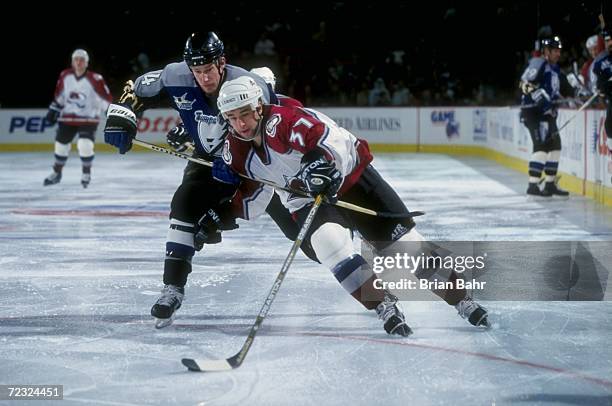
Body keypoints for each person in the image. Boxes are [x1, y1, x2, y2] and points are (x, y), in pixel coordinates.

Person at [211, 76, 490, 336]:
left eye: (245, 113)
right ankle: (381, 302)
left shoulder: (283, 121)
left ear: (259, 106)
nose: (241, 124)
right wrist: (221, 213)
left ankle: (460, 298)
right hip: (307, 199)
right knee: (328, 244)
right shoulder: (236, 152)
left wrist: (320, 161)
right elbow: (253, 196)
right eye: (233, 118)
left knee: (407, 248)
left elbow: (326, 135)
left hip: (351, 178)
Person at [104, 32, 312, 328]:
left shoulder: (248, 87)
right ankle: (172, 289)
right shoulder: (175, 75)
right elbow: (135, 89)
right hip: (209, 163)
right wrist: (122, 116)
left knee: (301, 231)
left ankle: (356, 264)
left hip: (254, 167)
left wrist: (233, 176)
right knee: (184, 204)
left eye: (208, 70)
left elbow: (265, 142)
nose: (203, 77)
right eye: (197, 71)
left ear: (222, 63)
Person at [44, 49, 112, 188]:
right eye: (76, 59)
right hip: (67, 118)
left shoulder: (95, 78)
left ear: (87, 62)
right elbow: (60, 96)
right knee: (60, 146)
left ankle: (86, 173)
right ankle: (57, 173)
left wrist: (110, 111)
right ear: (72, 61)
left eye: (82, 59)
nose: (79, 62)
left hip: (89, 119)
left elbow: (105, 98)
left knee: (85, 145)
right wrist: (54, 109)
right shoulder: (65, 75)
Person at [519, 36, 570, 198]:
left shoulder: (555, 69)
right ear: (546, 51)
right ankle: (532, 185)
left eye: (559, 51)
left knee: (555, 145)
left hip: (547, 114)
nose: (558, 54)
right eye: (555, 51)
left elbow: (559, 91)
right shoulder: (538, 63)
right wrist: (539, 97)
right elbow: (524, 83)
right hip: (533, 112)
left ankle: (549, 184)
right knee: (541, 146)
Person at [592, 28, 612, 156]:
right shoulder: (601, 62)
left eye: (610, 40)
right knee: (609, 128)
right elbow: (600, 87)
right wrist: (603, 87)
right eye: (606, 41)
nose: (608, 43)